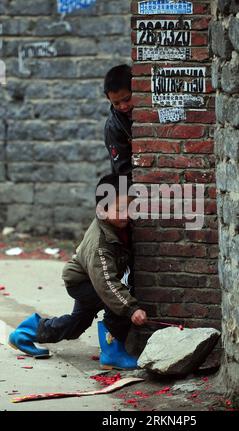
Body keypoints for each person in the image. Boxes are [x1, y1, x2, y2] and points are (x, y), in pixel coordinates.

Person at [8, 174, 147, 370]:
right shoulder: (101, 244)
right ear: (101, 210)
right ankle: (112, 353)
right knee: (116, 304)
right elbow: (106, 284)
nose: (127, 213)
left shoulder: (120, 226)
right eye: (121, 209)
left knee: (77, 324)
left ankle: (28, 331)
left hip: (91, 279)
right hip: (83, 283)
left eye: (132, 208)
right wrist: (131, 308)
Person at [104, 64, 134, 175]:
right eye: (116, 103)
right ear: (108, 98)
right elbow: (123, 169)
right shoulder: (113, 127)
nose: (123, 106)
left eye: (127, 99)